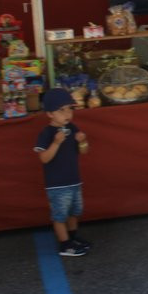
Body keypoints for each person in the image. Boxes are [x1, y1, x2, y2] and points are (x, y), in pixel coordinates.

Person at [34, 88, 92, 256]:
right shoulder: (47, 133)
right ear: (50, 114)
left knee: (75, 211)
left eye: (70, 109)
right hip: (56, 184)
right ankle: (64, 244)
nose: (67, 114)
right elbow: (44, 158)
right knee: (60, 215)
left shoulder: (72, 127)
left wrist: (83, 141)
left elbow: (84, 151)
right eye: (62, 110)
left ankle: (72, 237)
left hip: (74, 180)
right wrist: (56, 143)